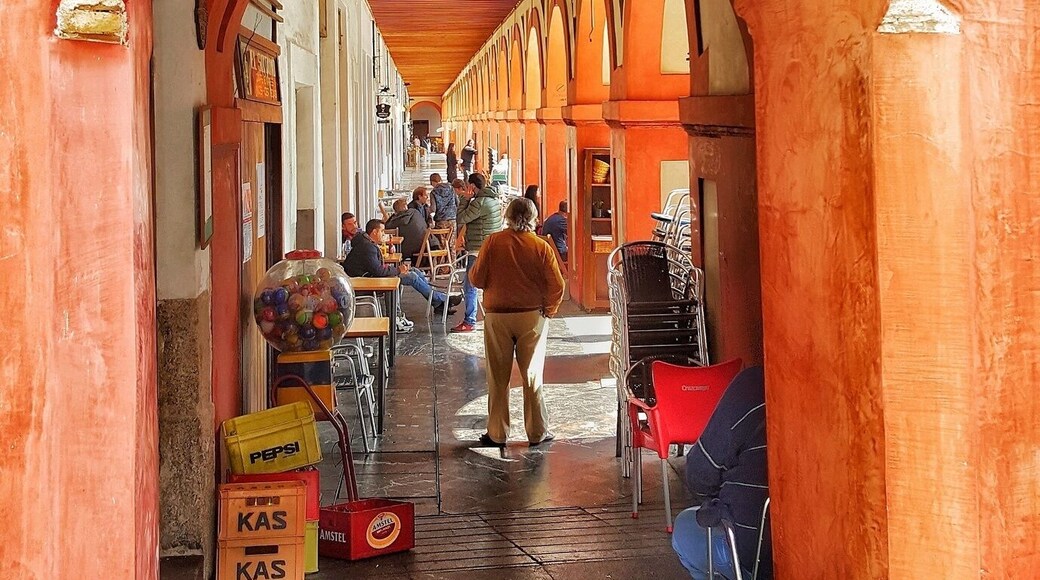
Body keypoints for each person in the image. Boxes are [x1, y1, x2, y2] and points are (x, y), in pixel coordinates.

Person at [469, 198, 564, 447]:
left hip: (497, 316)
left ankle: (497, 433)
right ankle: (537, 432)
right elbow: (557, 285)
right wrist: (548, 311)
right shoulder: (540, 246)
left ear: (507, 216)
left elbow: (477, 279)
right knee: (532, 377)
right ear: (534, 217)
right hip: (531, 316)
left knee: (497, 378)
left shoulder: (493, 242)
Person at [671, 366, 771, 580]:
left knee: (684, 527)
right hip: (832, 550)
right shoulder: (852, 391)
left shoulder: (755, 386)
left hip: (753, 555)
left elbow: (699, 474)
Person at [343, 219, 461, 320]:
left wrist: (397, 268)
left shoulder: (367, 243)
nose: (384, 234)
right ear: (374, 232)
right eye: (382, 231)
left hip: (368, 276)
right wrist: (398, 270)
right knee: (412, 277)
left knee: (415, 271)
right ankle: (441, 300)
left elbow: (376, 267)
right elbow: (378, 271)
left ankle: (438, 302)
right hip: (364, 281)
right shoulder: (368, 247)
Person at [452, 173, 503, 333]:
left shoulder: (479, 203)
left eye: (468, 186)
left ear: (472, 186)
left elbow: (460, 218)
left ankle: (469, 320)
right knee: (491, 285)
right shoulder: (493, 200)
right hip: (492, 247)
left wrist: (465, 199)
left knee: (470, 285)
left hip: (478, 250)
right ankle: (496, 317)